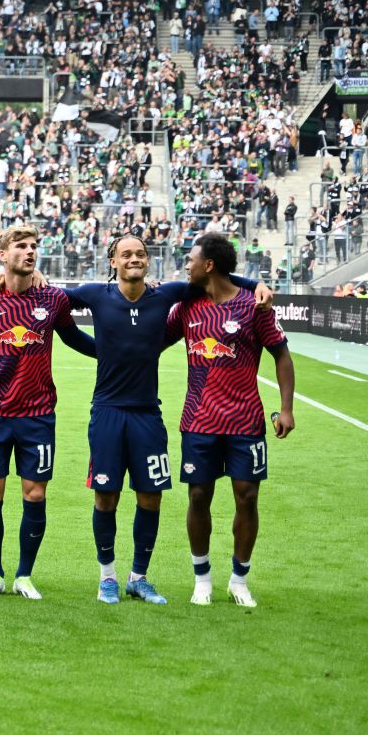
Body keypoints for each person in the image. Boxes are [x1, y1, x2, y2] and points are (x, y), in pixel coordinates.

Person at [59, 234, 264, 605]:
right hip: (107, 410)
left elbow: (217, 277)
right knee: (106, 497)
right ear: (113, 262)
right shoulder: (93, 294)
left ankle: (139, 577)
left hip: (147, 414)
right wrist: (99, 350)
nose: (134, 258)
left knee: (150, 496)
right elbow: (53, 308)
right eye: (127, 254)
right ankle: (107, 577)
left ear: (147, 262)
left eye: (140, 253)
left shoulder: (168, 294)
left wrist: (256, 283)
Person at [0, 224, 96, 600]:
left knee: (34, 495)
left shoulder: (53, 299)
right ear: (3, 255)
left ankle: (24, 575)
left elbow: (75, 338)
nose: (30, 251)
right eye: (22, 246)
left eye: (34, 246)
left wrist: (116, 353)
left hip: (37, 414)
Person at [166, 232, 295, 607]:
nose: (185, 265)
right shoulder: (186, 307)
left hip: (245, 421)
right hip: (198, 421)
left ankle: (239, 580)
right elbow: (153, 341)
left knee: (248, 498)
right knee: (198, 495)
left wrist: (286, 408)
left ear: (208, 265)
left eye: (190, 259)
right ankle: (202, 579)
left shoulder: (253, 307)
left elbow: (281, 355)